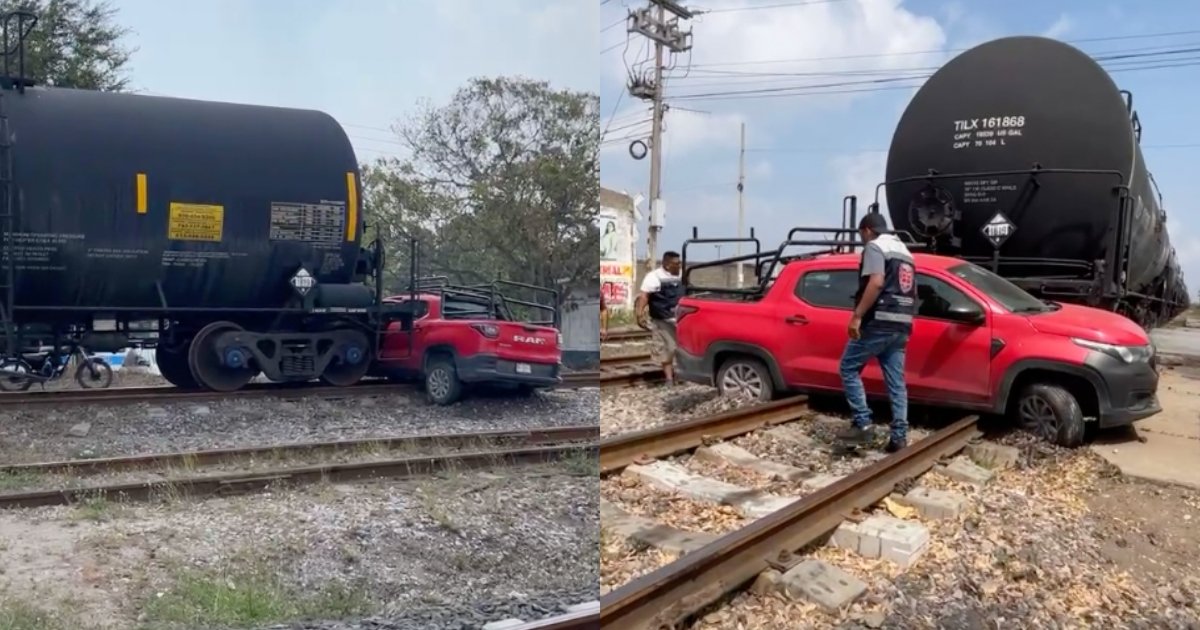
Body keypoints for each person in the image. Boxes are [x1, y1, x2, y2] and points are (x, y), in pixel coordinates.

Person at [836, 213, 917, 452]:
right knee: (896, 383)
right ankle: (899, 437)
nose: (862, 238)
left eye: (861, 234)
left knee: (848, 367)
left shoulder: (874, 246)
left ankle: (862, 424)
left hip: (878, 322)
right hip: (901, 324)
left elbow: (877, 281)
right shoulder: (905, 251)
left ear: (867, 230)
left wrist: (858, 315)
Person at [636, 251, 683, 386]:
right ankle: (669, 379)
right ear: (667, 265)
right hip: (663, 321)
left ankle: (682, 376)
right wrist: (639, 313)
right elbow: (644, 296)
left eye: (680, 263)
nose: (679, 266)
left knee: (682, 350)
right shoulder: (654, 277)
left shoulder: (682, 275)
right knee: (666, 349)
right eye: (676, 263)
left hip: (682, 320)